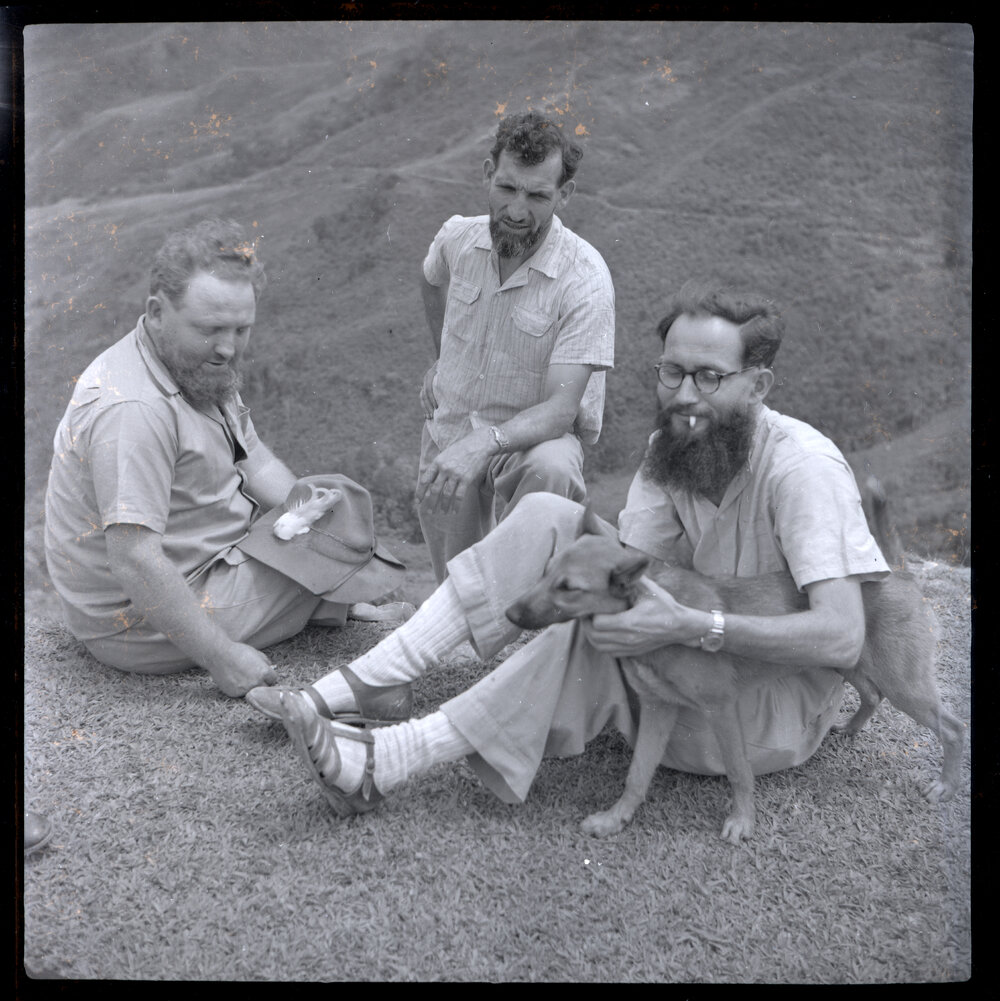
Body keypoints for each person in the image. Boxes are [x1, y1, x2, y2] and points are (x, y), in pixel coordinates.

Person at [250, 282, 889, 818]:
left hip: (754, 712)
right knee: (550, 514)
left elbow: (842, 639)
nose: (685, 395)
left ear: (759, 385)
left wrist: (696, 624)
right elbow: (626, 567)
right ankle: (359, 684)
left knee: (593, 630)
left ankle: (386, 760)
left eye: (711, 377)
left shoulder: (803, 470)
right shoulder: (674, 449)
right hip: (675, 665)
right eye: (673, 371)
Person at [44, 219, 412, 700]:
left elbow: (254, 460)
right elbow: (134, 560)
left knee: (337, 504)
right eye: (211, 329)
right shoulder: (133, 409)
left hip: (204, 563)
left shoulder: (191, 364)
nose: (228, 347)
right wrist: (222, 657)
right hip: (136, 622)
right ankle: (330, 605)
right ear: (156, 311)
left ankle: (326, 599)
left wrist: (317, 521)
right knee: (343, 549)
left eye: (242, 329)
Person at [416, 111, 616, 582]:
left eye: (538, 195)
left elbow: (560, 411)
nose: (518, 211)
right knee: (453, 591)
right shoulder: (457, 239)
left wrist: (482, 446)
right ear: (488, 173)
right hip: (454, 424)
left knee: (554, 468)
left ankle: (527, 592)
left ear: (563, 194)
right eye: (507, 189)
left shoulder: (585, 280)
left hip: (530, 440)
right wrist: (440, 361)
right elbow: (430, 281)